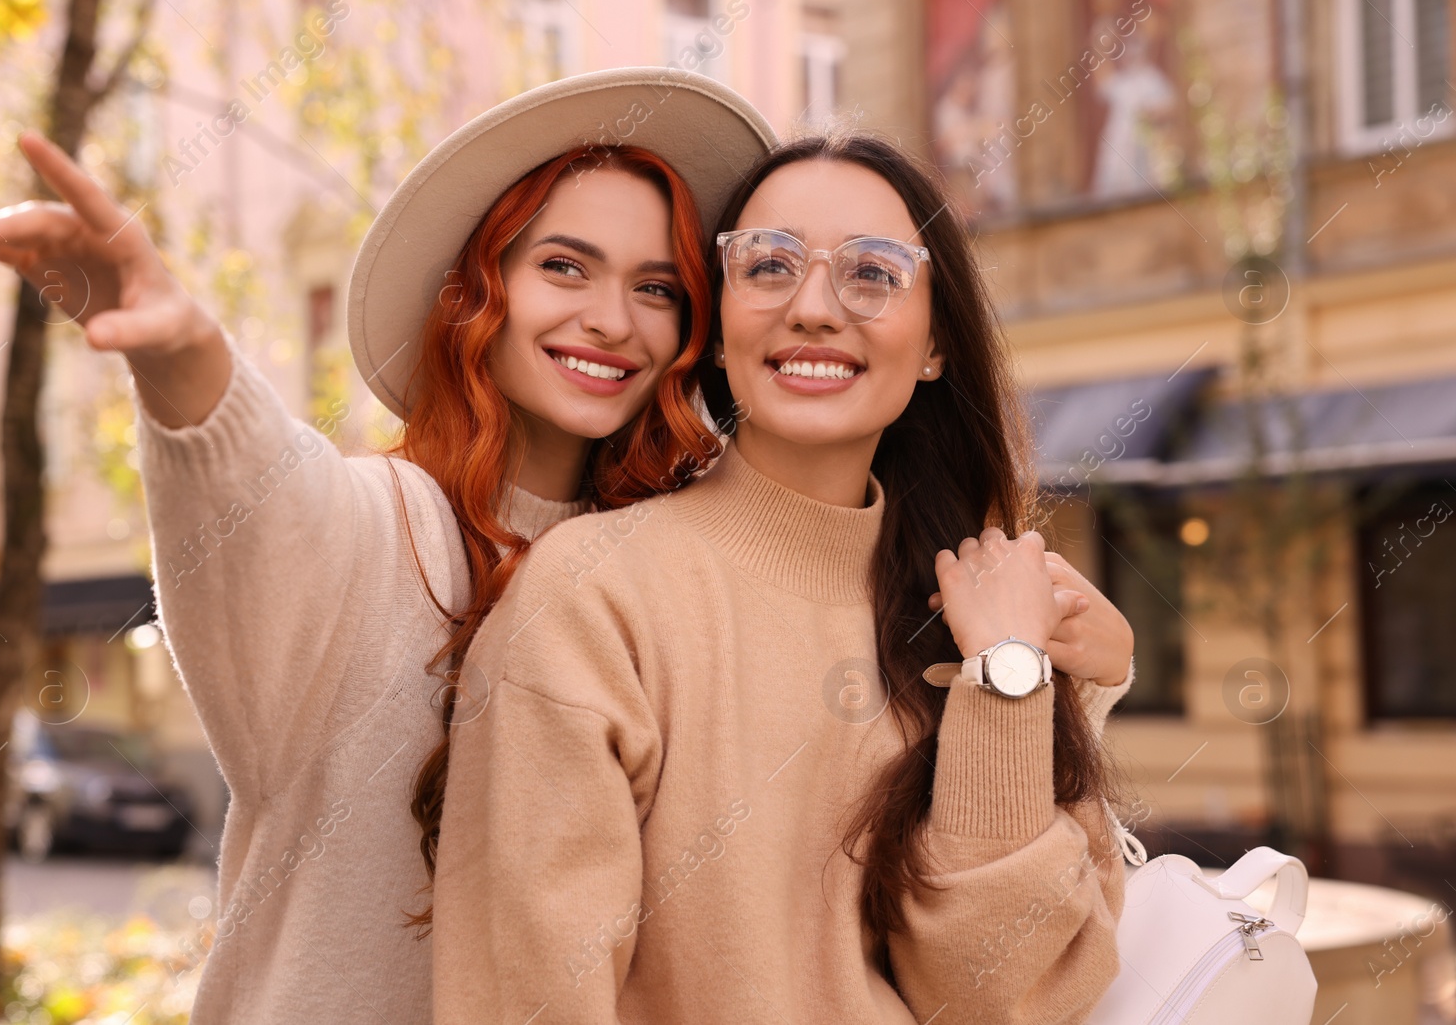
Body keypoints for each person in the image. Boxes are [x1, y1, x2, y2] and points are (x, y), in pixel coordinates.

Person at [0, 69, 774, 1024]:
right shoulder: (378, 528)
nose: (612, 319)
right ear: (482, 290)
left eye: (656, 286)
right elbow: (261, 491)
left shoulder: (680, 566)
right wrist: (178, 353)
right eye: (564, 267)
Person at [431, 130, 1137, 1023]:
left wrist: (1012, 673)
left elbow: (1003, 993)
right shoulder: (596, 595)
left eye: (873, 273)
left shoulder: (985, 610)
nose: (812, 306)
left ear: (934, 345)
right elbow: (526, 996)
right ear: (717, 329)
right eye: (768, 265)